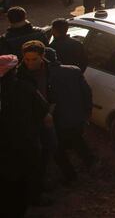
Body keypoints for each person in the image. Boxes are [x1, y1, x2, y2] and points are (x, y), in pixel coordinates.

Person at [18, 40, 94, 187]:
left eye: (34, 59)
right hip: (44, 119)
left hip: (57, 119)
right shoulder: (21, 75)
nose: (30, 63)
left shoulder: (49, 73)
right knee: (65, 144)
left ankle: (71, 175)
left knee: (57, 148)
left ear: (43, 57)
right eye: (27, 59)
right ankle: (82, 167)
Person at [0, 53, 49, 216]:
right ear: (13, 71)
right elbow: (42, 109)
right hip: (25, 141)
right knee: (26, 177)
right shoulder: (25, 87)